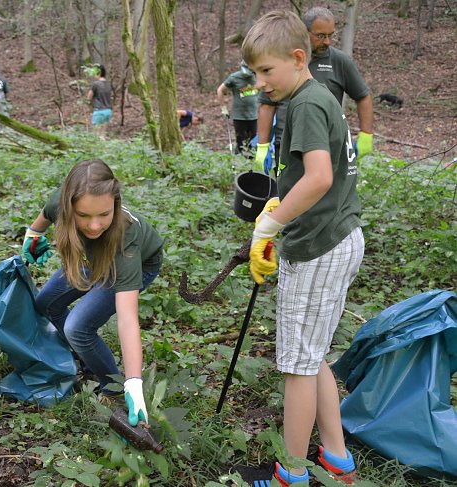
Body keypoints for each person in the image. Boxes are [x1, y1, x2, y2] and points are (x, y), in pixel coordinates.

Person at [242, 10, 364, 486]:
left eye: (266, 71)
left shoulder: (308, 104)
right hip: (337, 237)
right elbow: (311, 178)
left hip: (319, 249)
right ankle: (336, 459)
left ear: (297, 58)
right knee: (313, 357)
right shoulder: (315, 97)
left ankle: (289, 475)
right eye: (254, 72)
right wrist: (282, 200)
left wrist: (269, 223)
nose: (259, 82)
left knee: (295, 364)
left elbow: (319, 177)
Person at [22, 159, 164, 426]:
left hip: (130, 265)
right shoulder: (61, 203)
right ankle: (86, 357)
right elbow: (42, 218)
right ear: (68, 205)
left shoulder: (126, 239)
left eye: (104, 214)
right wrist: (32, 236)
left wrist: (133, 383)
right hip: (89, 258)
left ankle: (113, 385)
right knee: (47, 304)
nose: (95, 226)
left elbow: (127, 318)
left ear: (115, 204)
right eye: (83, 216)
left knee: (77, 328)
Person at [255, 6, 374, 174]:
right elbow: (267, 105)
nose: (327, 41)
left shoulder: (339, 61)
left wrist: (366, 135)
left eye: (330, 35)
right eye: (320, 36)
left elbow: (363, 96)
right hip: (287, 145)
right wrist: (263, 146)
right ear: (305, 32)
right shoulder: (286, 60)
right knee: (285, 192)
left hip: (326, 144)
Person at [217, 62, 259, 155]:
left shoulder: (257, 76)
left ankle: (252, 164)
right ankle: (240, 163)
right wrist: (223, 108)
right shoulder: (234, 77)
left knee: (253, 143)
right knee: (241, 142)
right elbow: (220, 90)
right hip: (239, 116)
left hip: (253, 115)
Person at [87, 64, 112, 134]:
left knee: (96, 134)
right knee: (102, 134)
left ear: (99, 73)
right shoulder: (108, 84)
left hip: (98, 110)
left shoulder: (95, 84)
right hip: (108, 111)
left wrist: (90, 108)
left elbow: (88, 97)